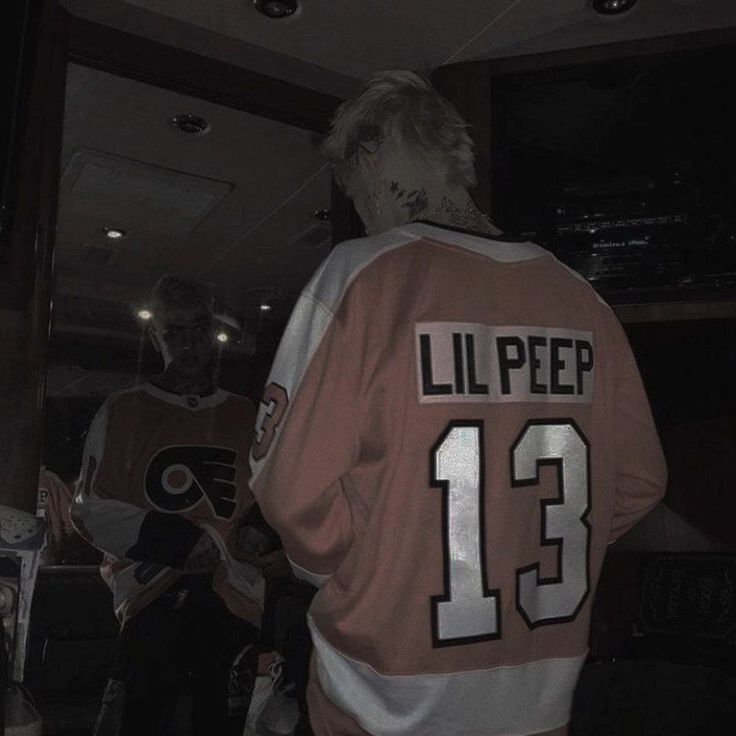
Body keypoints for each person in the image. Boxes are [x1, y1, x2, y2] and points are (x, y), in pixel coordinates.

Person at [248, 71, 667, 736]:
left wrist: (364, 568)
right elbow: (640, 481)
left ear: (370, 154)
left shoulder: (361, 276)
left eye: (353, 187)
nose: (360, 208)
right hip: (538, 698)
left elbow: (290, 488)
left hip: (384, 695)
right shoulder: (581, 299)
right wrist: (523, 544)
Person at [70, 274, 263, 736]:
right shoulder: (123, 410)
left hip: (232, 602)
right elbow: (90, 508)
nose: (189, 343)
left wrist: (260, 528)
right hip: (152, 603)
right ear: (154, 335)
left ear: (212, 331)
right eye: (174, 331)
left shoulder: (245, 414)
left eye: (198, 328)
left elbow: (274, 492)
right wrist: (178, 541)